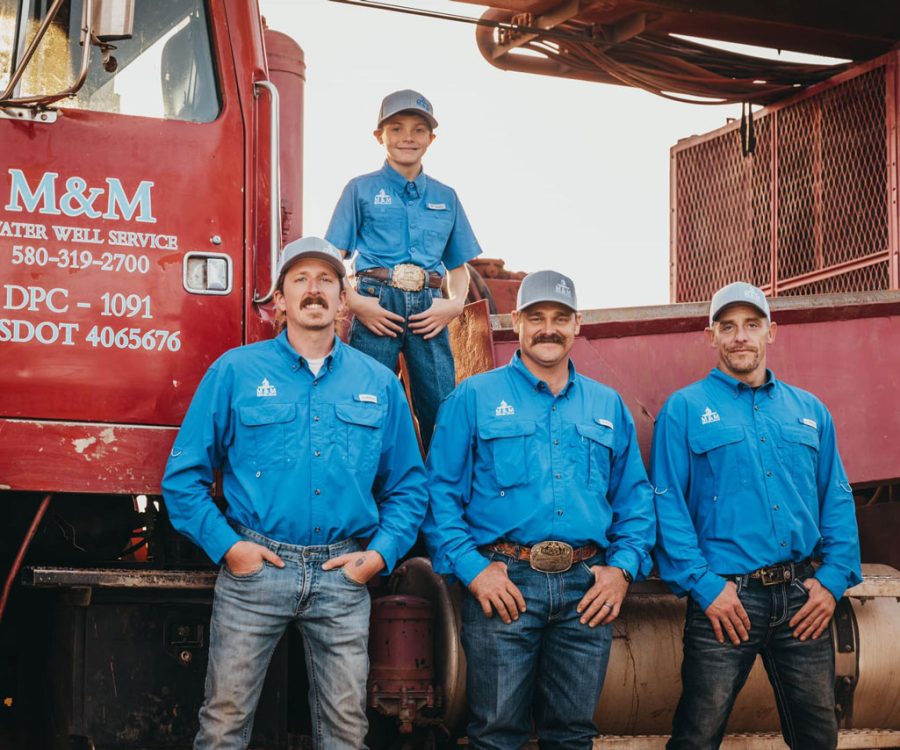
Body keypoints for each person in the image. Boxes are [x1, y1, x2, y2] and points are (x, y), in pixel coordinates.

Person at [162, 236, 428, 750]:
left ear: (343, 298)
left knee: (346, 732)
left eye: (327, 279)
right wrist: (230, 549)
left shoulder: (379, 382)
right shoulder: (235, 373)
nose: (314, 289)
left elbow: (408, 487)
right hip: (256, 570)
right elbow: (183, 479)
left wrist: (379, 556)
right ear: (279, 299)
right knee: (223, 724)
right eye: (300, 279)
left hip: (343, 576)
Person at [423, 270, 656, 749]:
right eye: (536, 317)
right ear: (516, 321)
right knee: (495, 734)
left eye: (560, 318)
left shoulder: (606, 405)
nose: (548, 328)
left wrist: (622, 572)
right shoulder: (473, 398)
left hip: (586, 587)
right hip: (505, 582)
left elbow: (635, 500)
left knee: (572, 736)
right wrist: (474, 571)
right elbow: (438, 496)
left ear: (577, 325)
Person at [650, 281, 862, 750]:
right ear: (712, 337)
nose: (740, 336)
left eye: (751, 325)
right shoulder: (683, 410)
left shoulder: (809, 410)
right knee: (697, 736)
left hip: (802, 599)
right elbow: (667, 504)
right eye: (728, 327)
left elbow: (837, 498)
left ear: (771, 332)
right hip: (726, 601)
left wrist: (831, 582)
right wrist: (706, 587)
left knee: (818, 736)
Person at [325, 89, 482, 448]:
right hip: (376, 305)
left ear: (431, 138)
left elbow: (459, 269)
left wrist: (454, 304)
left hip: (430, 309)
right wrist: (355, 302)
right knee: (364, 404)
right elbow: (333, 257)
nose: (407, 137)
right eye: (396, 129)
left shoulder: (447, 196)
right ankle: (367, 495)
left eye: (418, 129)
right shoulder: (359, 190)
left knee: (442, 407)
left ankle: (439, 498)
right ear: (379, 137)